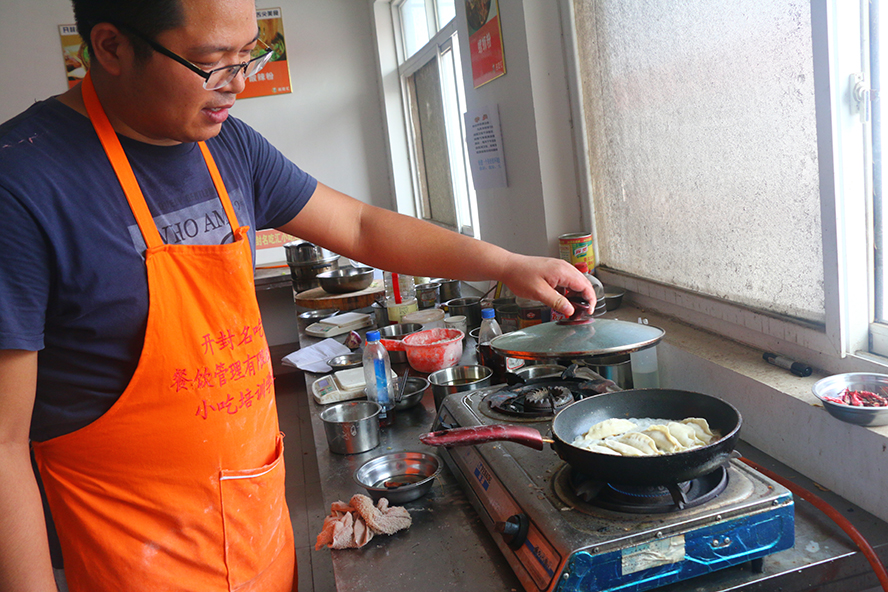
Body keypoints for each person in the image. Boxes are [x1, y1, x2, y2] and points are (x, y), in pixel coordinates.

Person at [0, 1, 595, 590]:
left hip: (256, 537)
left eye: (247, 56)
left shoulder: (226, 146)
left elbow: (360, 225)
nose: (237, 85)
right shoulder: (22, 185)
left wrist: (508, 264)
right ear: (110, 47)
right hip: (133, 561)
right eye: (213, 62)